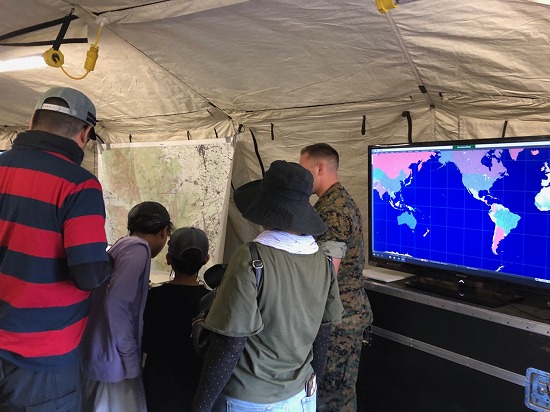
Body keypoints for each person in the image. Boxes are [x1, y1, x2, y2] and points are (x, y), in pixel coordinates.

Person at [191, 160, 344, 412]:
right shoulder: (323, 261)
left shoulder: (251, 257)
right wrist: (313, 385)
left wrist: (201, 406)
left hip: (250, 399)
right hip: (300, 396)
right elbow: (323, 334)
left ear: (264, 209)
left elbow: (229, 344)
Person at [0, 86, 111, 410]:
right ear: (85, 132)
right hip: (40, 360)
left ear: (32, 121)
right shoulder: (79, 185)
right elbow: (88, 275)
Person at [300, 143, 373, 412]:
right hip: (340, 315)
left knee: (333, 398)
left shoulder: (333, 210)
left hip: (339, 321)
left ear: (319, 167)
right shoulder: (333, 202)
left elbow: (328, 273)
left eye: (304, 170)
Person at [81, 201, 173, 412]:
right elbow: (116, 302)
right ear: (163, 232)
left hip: (100, 352)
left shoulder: (121, 245)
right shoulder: (138, 250)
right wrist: (128, 353)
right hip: (114, 359)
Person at [142, 227, 211, 412]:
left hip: (157, 388)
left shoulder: (153, 297)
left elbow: (144, 344)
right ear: (206, 260)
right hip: (195, 388)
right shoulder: (212, 302)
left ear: (168, 259)